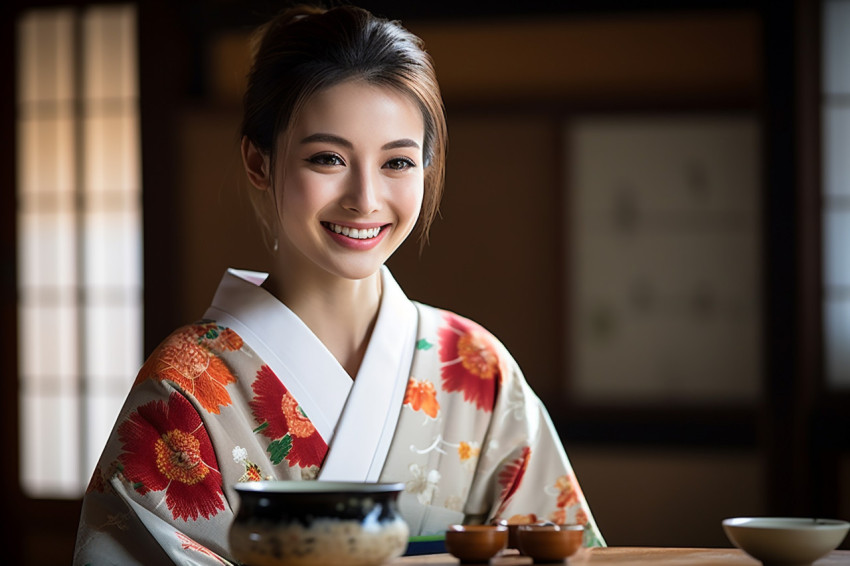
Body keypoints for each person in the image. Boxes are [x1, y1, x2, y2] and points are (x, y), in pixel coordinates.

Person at [73, 3, 605, 564]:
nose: (365, 199)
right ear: (259, 161)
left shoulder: (474, 367)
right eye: (328, 158)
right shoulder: (185, 388)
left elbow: (563, 553)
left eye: (397, 163)